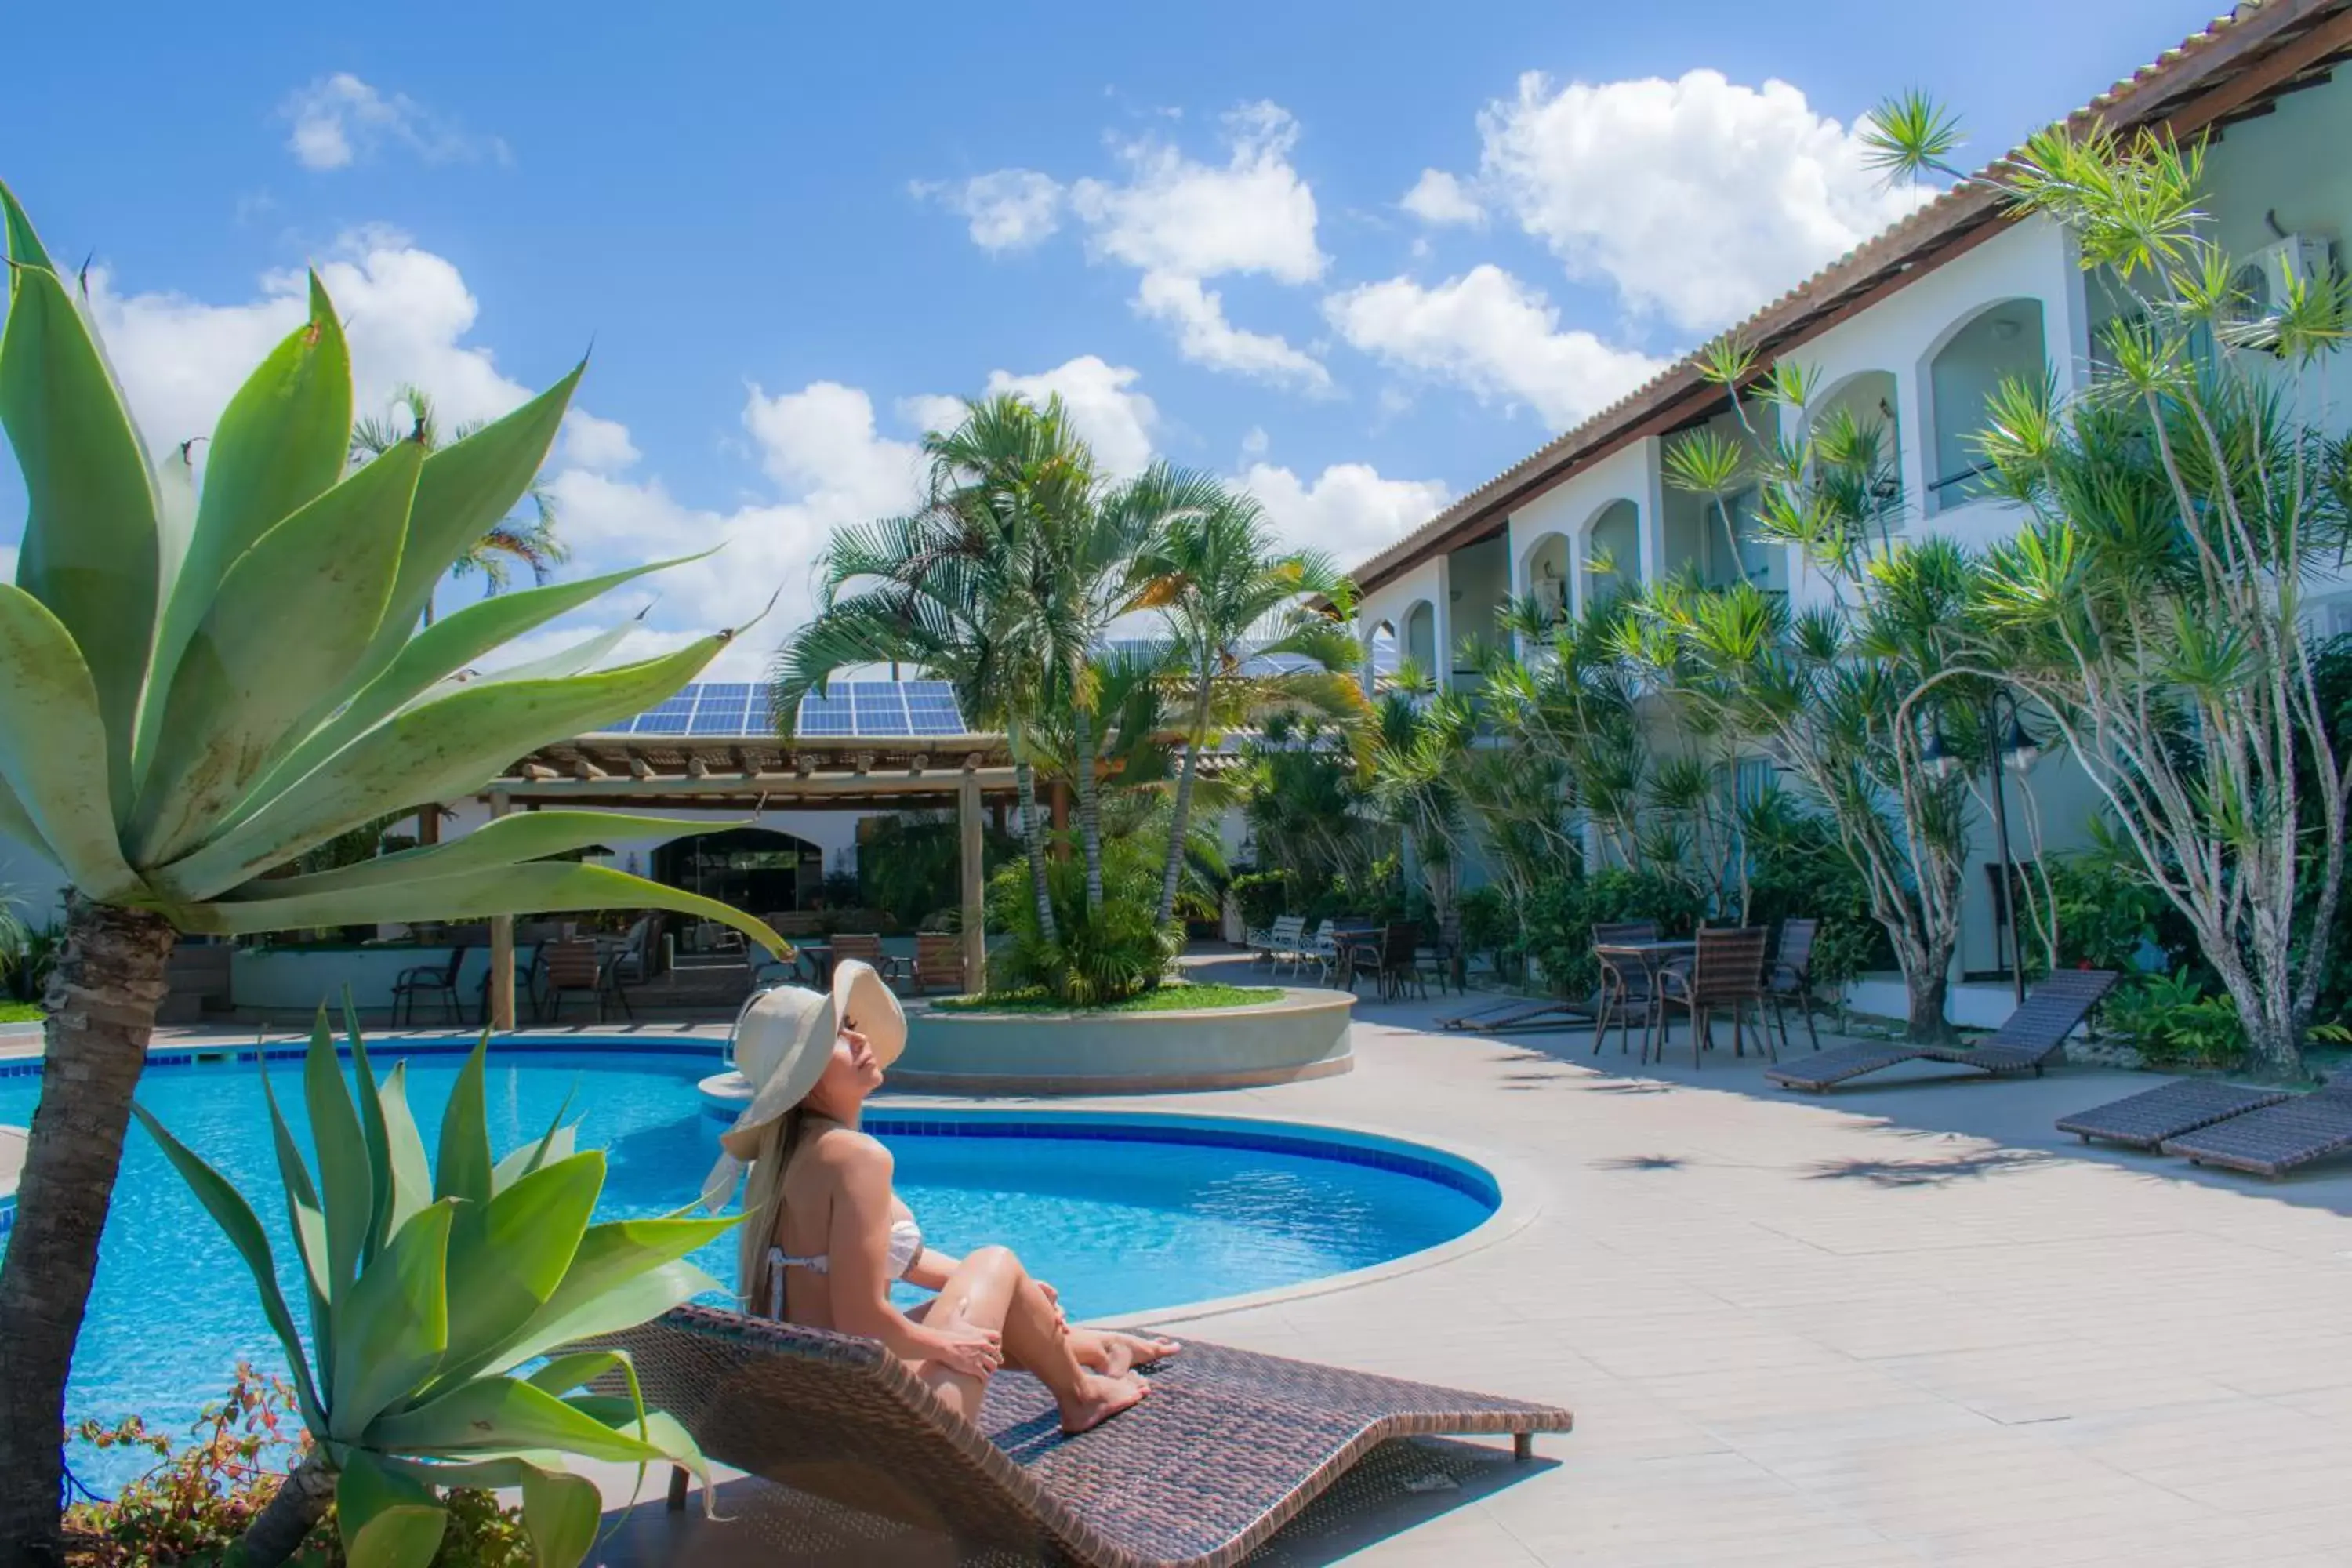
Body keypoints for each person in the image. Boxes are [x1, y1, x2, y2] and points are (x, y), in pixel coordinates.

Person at [701, 961, 1176, 1433]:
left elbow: (898, 1260)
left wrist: (1019, 1295)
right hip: (875, 1425)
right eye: (837, 1038)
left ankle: (1100, 1350)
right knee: (995, 1260)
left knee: (995, 1283)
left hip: (811, 1411)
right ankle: (1083, 1397)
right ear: (804, 1077)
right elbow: (862, 1321)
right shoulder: (856, 1157)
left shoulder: (788, 1160)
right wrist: (949, 1347)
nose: (861, 1040)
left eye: (849, 1027)